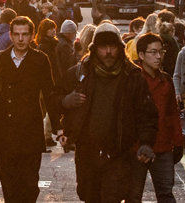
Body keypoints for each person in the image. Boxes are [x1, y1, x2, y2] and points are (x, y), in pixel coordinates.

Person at [57, 22, 157, 202]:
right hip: (87, 153)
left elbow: (147, 114)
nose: (108, 52)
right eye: (103, 47)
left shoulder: (132, 76)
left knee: (112, 196)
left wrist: (146, 142)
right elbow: (53, 97)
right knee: (89, 196)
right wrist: (65, 101)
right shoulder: (80, 73)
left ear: (120, 48)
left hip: (118, 153)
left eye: (112, 47)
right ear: (95, 49)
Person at [0, 16, 61, 202]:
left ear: (32, 36)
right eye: (16, 34)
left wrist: (59, 127)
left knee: (29, 186)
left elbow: (49, 94)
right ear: (10, 35)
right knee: (10, 189)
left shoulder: (40, 59)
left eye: (25, 34)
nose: (20, 39)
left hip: (30, 133)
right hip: (5, 134)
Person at [131, 33, 185, 203]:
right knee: (132, 195)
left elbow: (173, 113)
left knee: (166, 194)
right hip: (136, 147)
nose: (158, 57)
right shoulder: (132, 79)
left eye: (161, 52)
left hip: (163, 146)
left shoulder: (165, 80)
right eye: (153, 52)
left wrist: (178, 142)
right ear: (141, 55)